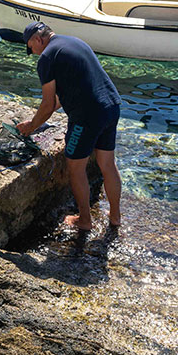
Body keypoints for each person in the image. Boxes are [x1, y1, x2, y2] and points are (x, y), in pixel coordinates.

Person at [17, 21, 122, 231]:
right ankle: (116, 216)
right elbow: (64, 96)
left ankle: (84, 220)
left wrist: (32, 125)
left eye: (31, 48)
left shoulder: (47, 57)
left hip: (87, 116)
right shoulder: (75, 42)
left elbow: (47, 104)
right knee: (107, 164)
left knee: (75, 167)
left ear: (38, 39)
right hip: (111, 106)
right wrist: (39, 118)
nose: (33, 53)